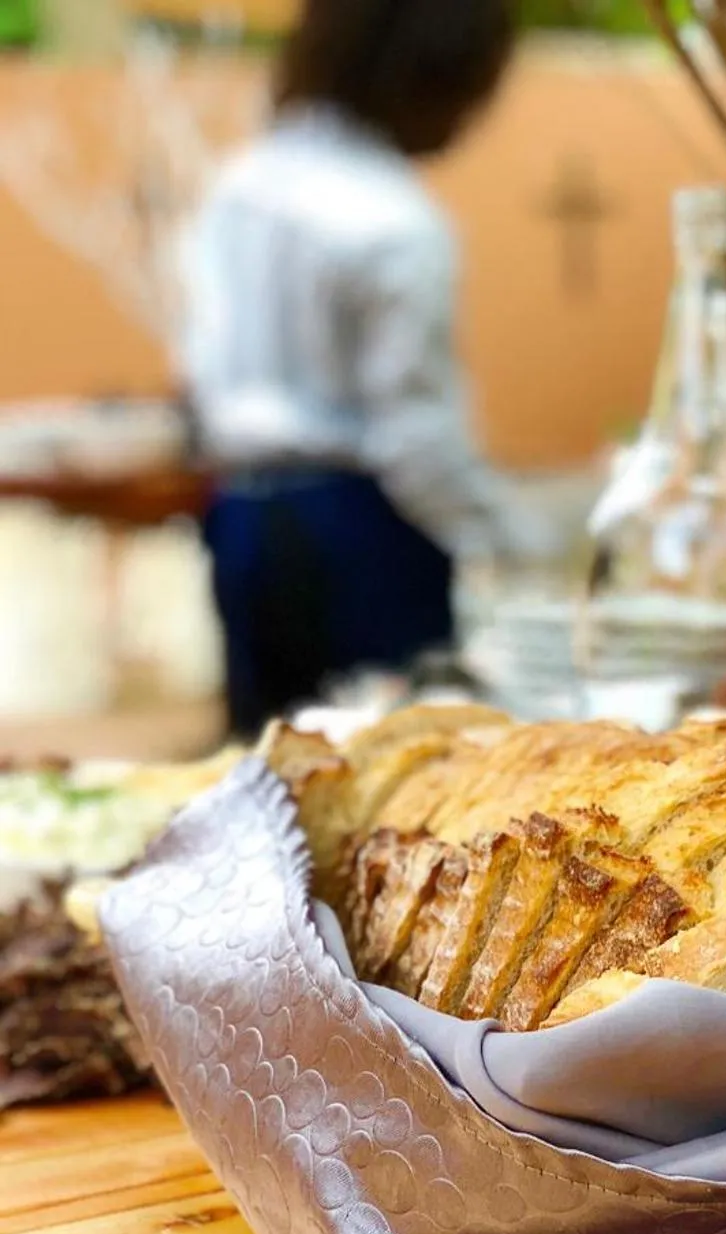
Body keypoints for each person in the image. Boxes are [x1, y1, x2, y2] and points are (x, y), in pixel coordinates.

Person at [180, 0, 518, 736]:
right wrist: (513, 537)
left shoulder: (238, 186)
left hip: (241, 515)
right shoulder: (393, 219)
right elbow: (417, 442)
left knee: (266, 772)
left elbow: (203, 366)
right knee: (396, 770)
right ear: (437, 76)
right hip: (362, 528)